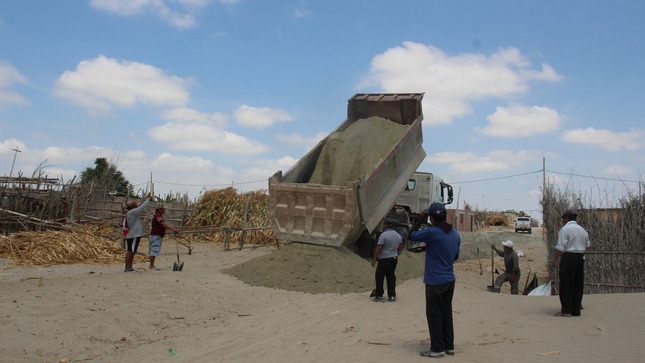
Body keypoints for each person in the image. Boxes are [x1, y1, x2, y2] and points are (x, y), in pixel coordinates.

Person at [410, 202, 461, 358]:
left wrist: (419, 219)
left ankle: (437, 349)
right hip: (449, 280)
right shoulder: (455, 234)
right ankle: (448, 346)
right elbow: (456, 256)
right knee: (446, 313)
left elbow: (411, 235)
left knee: (434, 315)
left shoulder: (433, 232)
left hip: (435, 281)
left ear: (431, 218)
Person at [551, 209, 590, 317]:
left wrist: (555, 261)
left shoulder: (565, 229)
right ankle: (576, 310)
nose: (562, 220)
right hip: (580, 257)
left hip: (568, 257)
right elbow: (587, 245)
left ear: (567, 218)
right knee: (578, 284)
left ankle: (566, 311)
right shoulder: (582, 230)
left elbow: (560, 247)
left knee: (566, 284)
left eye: (563, 218)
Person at [370, 218, 405, 302]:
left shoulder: (383, 235)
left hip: (384, 259)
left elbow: (379, 248)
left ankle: (379, 295)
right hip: (393, 258)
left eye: (384, 224)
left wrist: (374, 259)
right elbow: (401, 247)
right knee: (391, 277)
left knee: (379, 276)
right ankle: (392, 296)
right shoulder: (397, 235)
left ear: (386, 225)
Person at [123, 192, 152, 272]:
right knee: (130, 251)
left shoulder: (131, 213)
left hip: (133, 235)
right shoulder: (133, 212)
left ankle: (129, 267)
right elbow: (142, 207)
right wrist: (148, 199)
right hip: (133, 235)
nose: (136, 204)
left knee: (132, 251)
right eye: (134, 203)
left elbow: (139, 206)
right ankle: (127, 268)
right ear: (132, 206)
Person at [148, 204, 179, 270]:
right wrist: (172, 229)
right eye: (163, 209)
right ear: (160, 209)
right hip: (156, 235)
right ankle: (151, 265)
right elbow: (163, 224)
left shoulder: (158, 215)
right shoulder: (158, 216)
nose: (164, 210)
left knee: (155, 249)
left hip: (157, 235)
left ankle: (152, 265)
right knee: (154, 249)